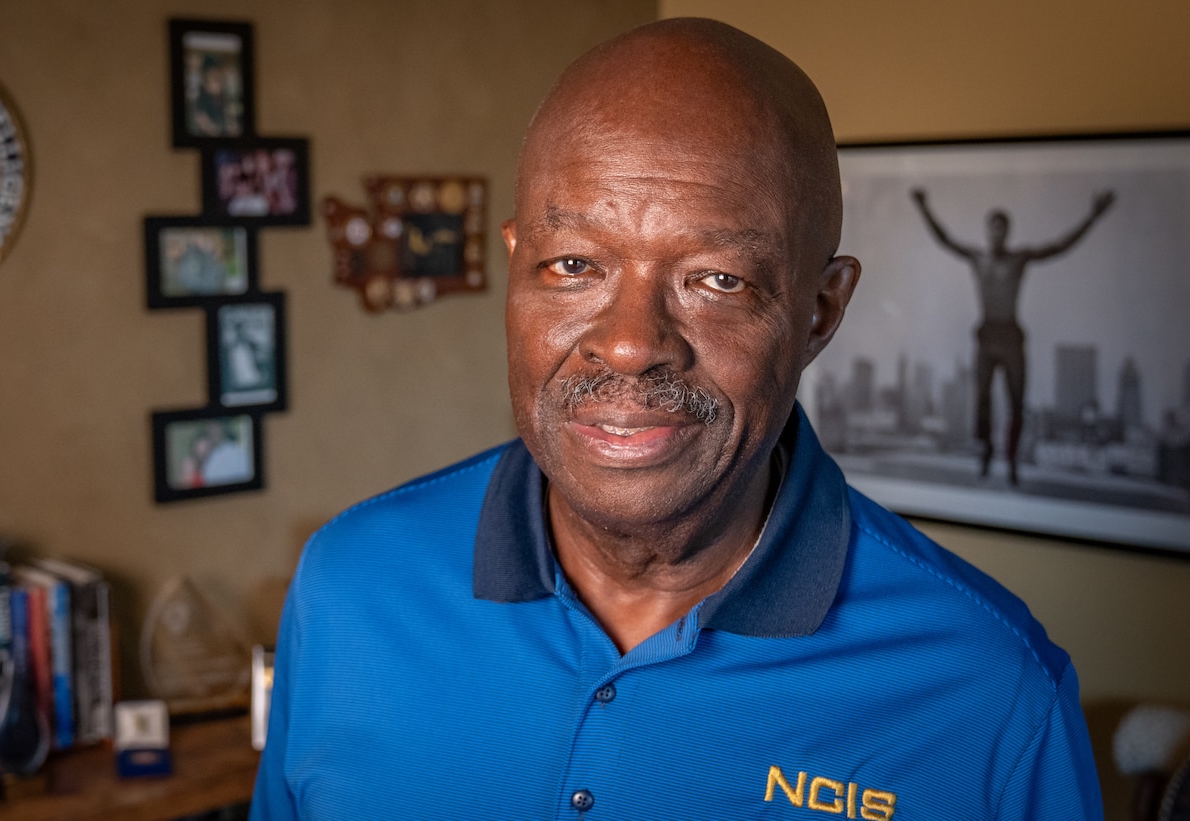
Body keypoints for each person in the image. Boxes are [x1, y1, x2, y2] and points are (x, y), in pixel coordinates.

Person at [252, 18, 1101, 820]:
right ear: (516, 271)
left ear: (820, 310)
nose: (629, 346)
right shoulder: (349, 586)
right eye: (575, 264)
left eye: (716, 280)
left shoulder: (990, 692)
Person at [912, 188, 1114, 484]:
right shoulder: (978, 258)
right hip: (987, 332)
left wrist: (1092, 217)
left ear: (1007, 233)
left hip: (1010, 335)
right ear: (987, 231)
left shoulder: (1018, 259)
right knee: (982, 399)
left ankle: (1012, 459)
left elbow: (1058, 247)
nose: (997, 235)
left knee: (1016, 401)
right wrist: (923, 207)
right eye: (993, 229)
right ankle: (986, 450)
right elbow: (945, 240)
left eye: (1002, 229)